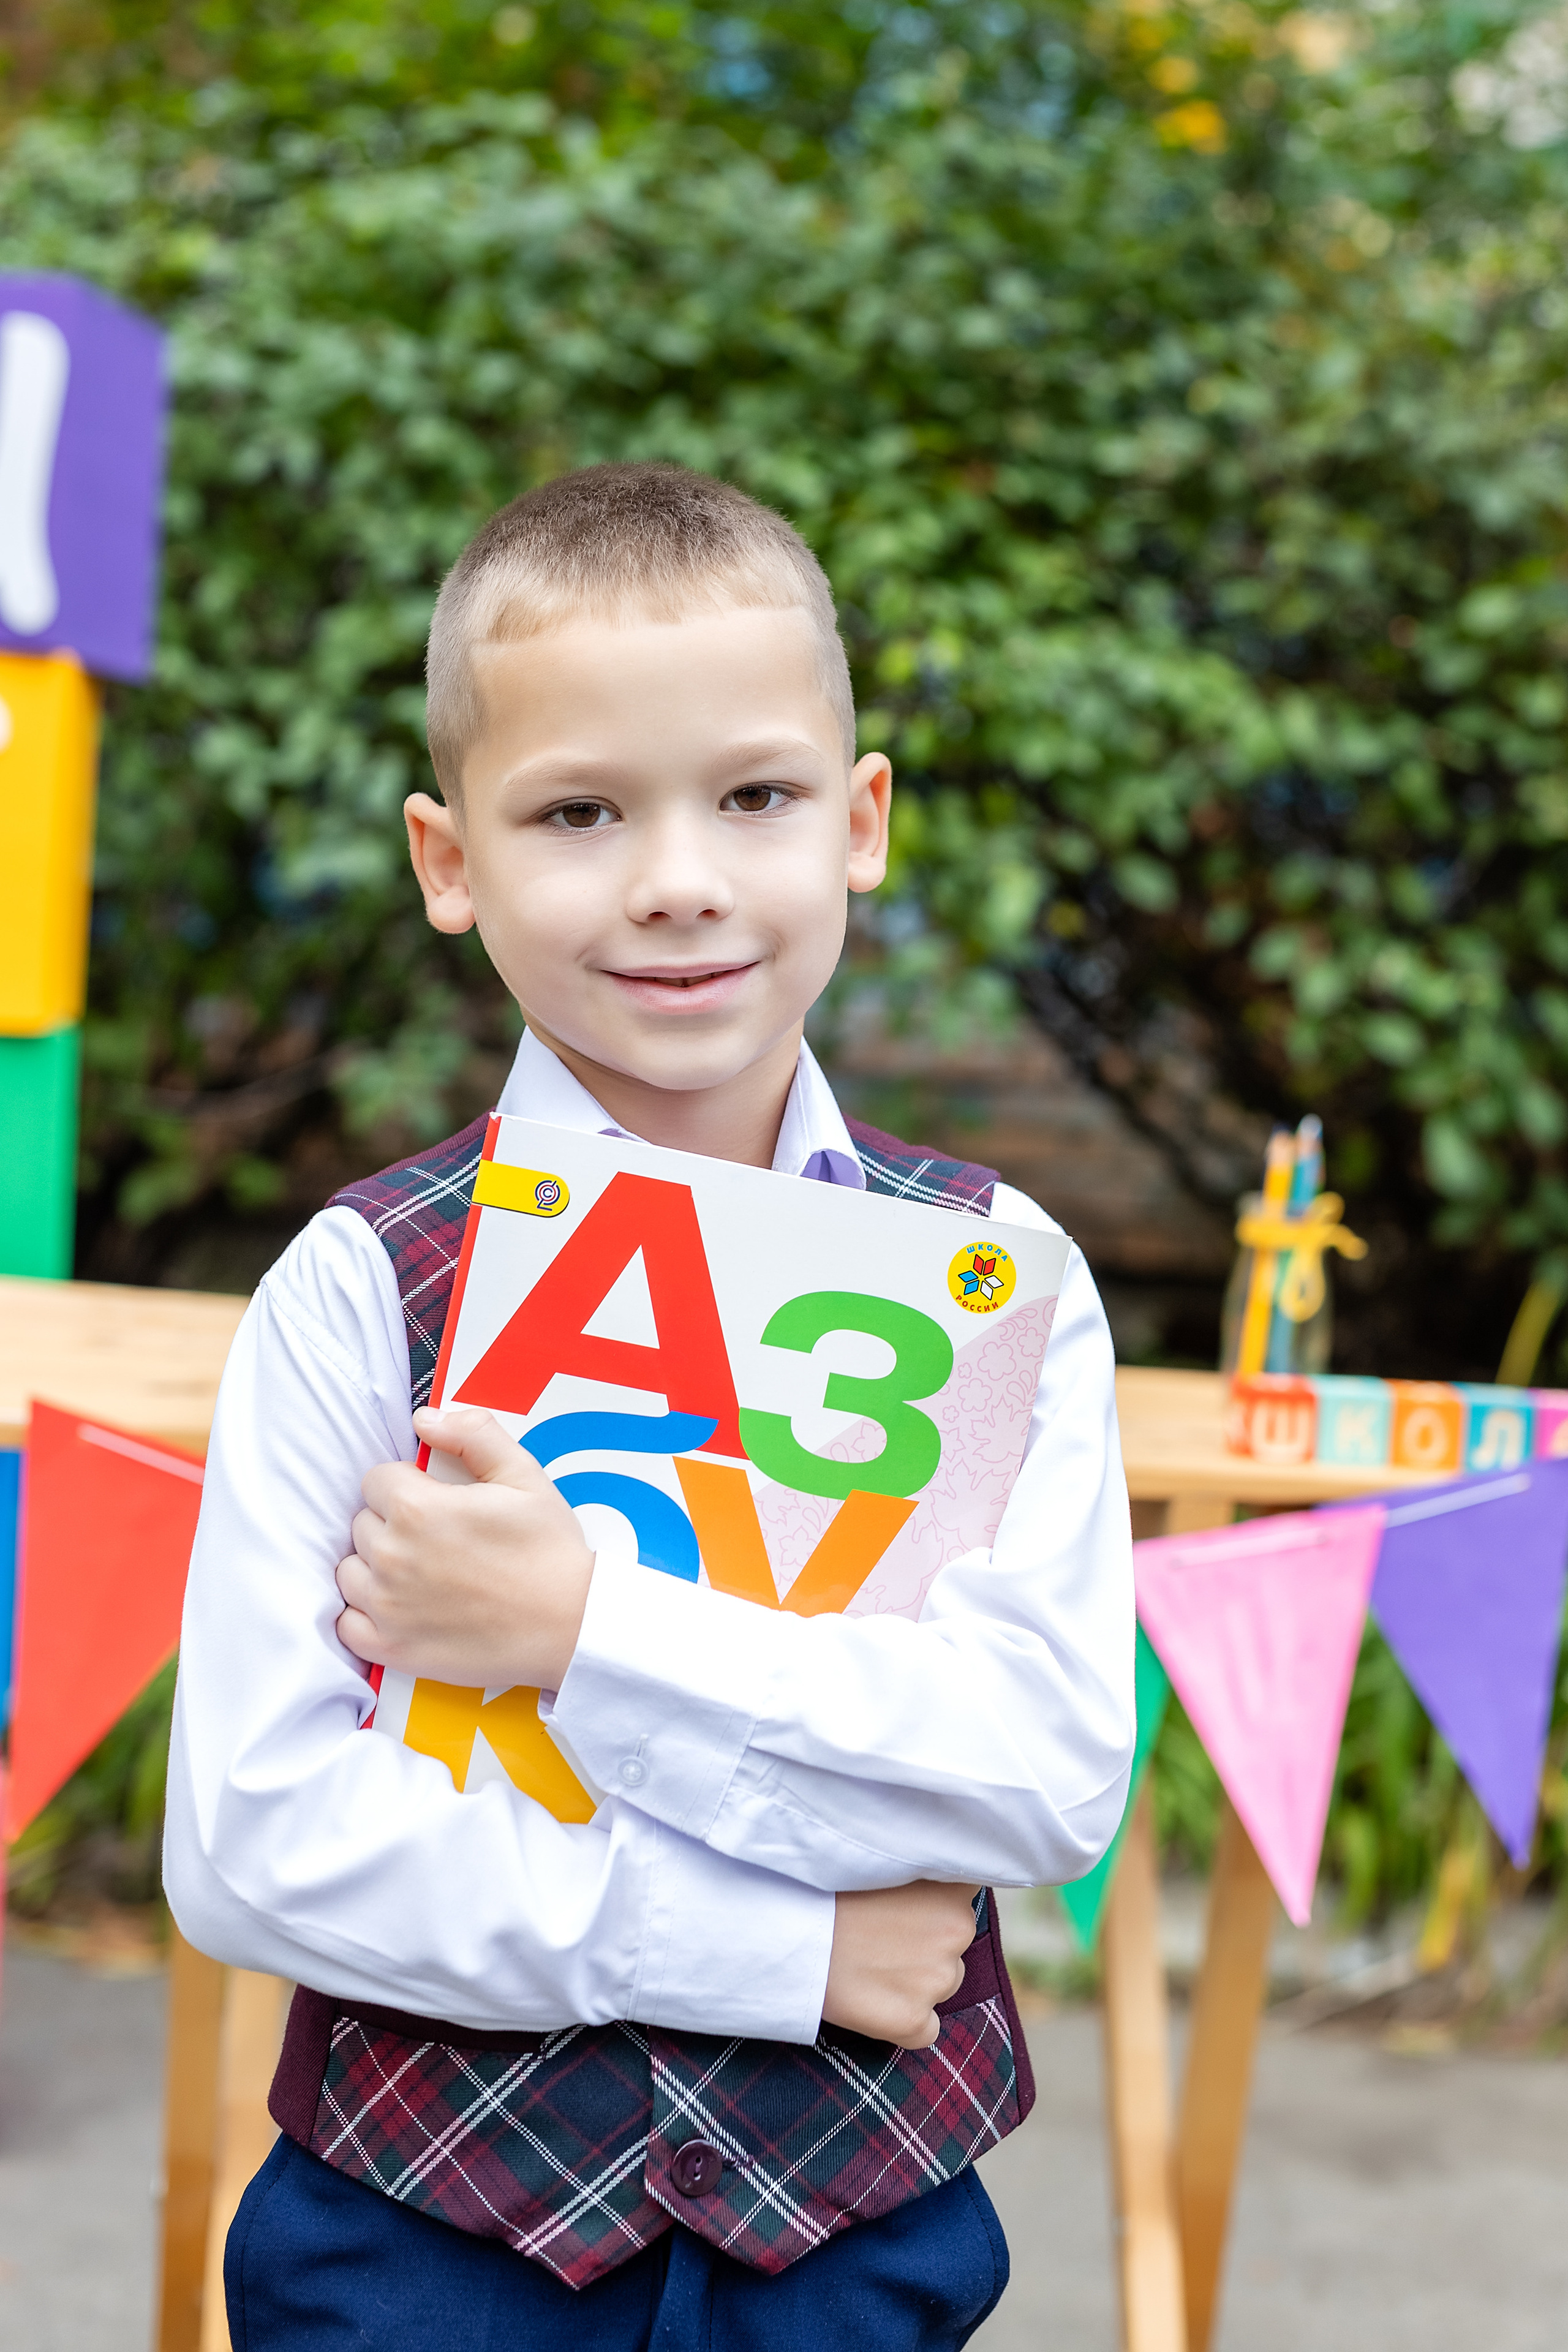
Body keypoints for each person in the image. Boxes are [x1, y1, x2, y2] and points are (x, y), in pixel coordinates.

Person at [165, 461, 1135, 2352]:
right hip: (418, 2261)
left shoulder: (1004, 1274)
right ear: (453, 864)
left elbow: (1039, 1768)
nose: (678, 877)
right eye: (581, 811)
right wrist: (776, 1950)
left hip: (850, 2252)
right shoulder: (363, 1284)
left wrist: (581, 1629)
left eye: (755, 796)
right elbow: (255, 1833)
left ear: (860, 824)